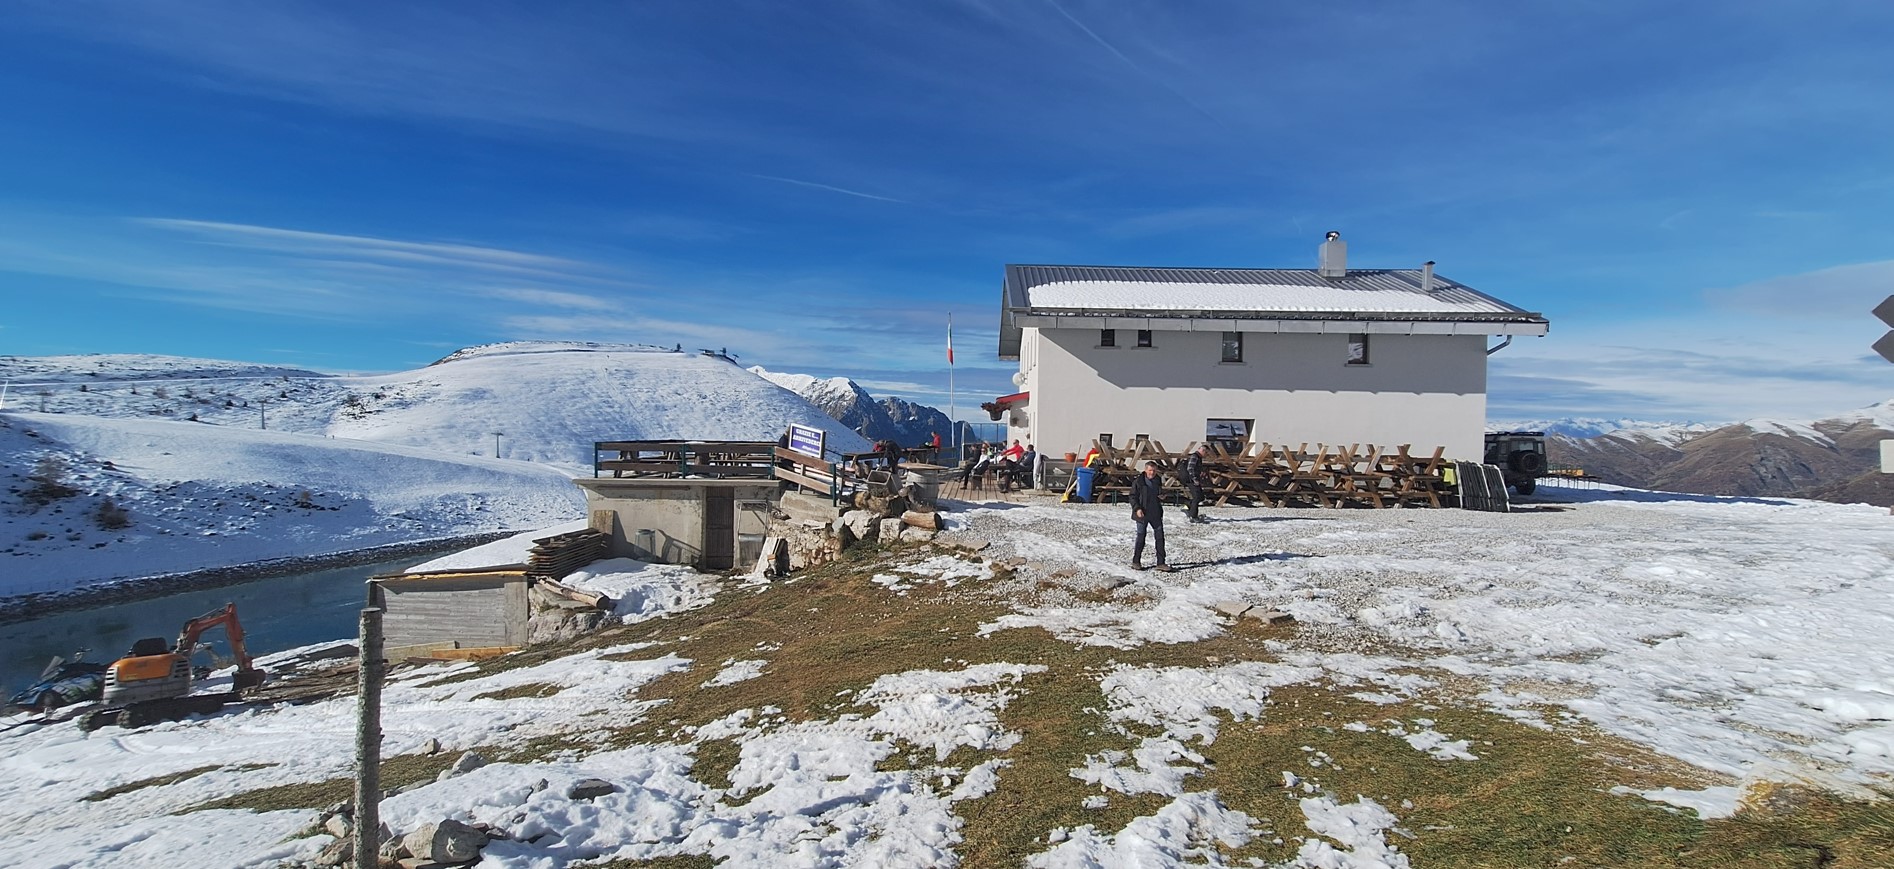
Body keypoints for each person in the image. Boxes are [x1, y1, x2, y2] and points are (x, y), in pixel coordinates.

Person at [1130, 461, 1173, 571]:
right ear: (1145, 470)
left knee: (1159, 537)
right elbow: (1132, 497)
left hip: (1155, 512)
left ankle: (1161, 562)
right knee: (1141, 537)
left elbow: (1158, 493)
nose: (1152, 473)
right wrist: (1137, 509)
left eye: (1154, 471)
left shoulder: (1157, 480)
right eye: (1150, 470)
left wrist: (1162, 496)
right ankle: (1136, 561)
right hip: (1142, 513)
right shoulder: (1138, 482)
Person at [1184, 444, 1210, 523]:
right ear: (1202, 451)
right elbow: (1190, 468)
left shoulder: (1198, 457)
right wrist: (1194, 479)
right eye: (1206, 453)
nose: (1206, 455)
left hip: (1194, 480)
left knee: (1201, 497)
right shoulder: (1195, 456)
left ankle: (1187, 506)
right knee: (1197, 497)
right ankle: (1193, 516)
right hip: (1191, 480)